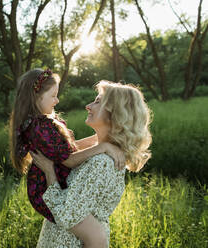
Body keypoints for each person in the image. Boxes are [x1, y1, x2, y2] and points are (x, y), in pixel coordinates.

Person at [31, 80, 152, 247]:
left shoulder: (102, 162)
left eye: (97, 101)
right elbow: (68, 153)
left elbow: (66, 215)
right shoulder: (102, 151)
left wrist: (49, 171)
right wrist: (103, 143)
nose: (88, 106)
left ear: (115, 113)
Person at [9, 69, 125, 239]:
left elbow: (68, 149)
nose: (57, 100)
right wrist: (103, 147)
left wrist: (100, 139)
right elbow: (69, 160)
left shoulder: (43, 123)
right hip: (44, 191)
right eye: (53, 95)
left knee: (82, 227)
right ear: (36, 98)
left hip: (55, 180)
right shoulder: (39, 128)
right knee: (84, 230)